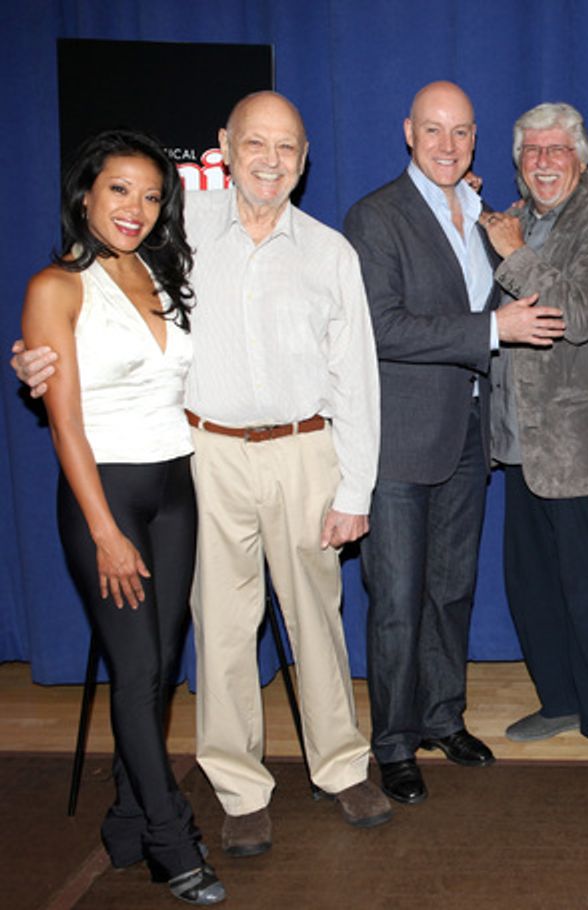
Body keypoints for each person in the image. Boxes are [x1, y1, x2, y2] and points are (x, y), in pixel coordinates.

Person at [15, 91, 392, 856]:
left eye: (287, 148)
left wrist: (356, 490)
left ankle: (342, 767)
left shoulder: (331, 253)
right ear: (225, 144)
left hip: (305, 450)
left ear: (305, 158)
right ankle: (238, 787)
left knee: (316, 619)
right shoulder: (174, 231)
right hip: (204, 454)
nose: (270, 161)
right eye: (255, 143)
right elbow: (94, 294)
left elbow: (356, 377)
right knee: (220, 625)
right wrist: (38, 359)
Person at [343, 81, 563, 805]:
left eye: (461, 132)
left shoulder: (479, 214)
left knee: (451, 590)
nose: (448, 144)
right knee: (396, 599)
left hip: (469, 430)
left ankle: (443, 717)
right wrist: (494, 330)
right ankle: (393, 742)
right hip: (401, 439)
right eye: (434, 130)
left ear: (475, 139)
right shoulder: (375, 216)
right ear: (409, 132)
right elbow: (383, 327)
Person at [20, 130, 224, 905]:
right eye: (119, 190)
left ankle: (127, 818)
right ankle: (172, 840)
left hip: (176, 489)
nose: (135, 207)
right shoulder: (56, 287)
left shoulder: (161, 271)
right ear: (85, 195)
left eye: (150, 195)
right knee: (136, 673)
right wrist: (105, 532)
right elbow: (66, 425)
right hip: (106, 496)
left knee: (159, 669)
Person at [479, 102, 588, 778]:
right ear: (517, 163)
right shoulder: (517, 222)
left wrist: (515, 255)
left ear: (580, 158)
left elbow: (577, 314)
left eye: (557, 150)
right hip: (522, 445)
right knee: (534, 587)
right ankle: (563, 701)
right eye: (531, 151)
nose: (544, 162)